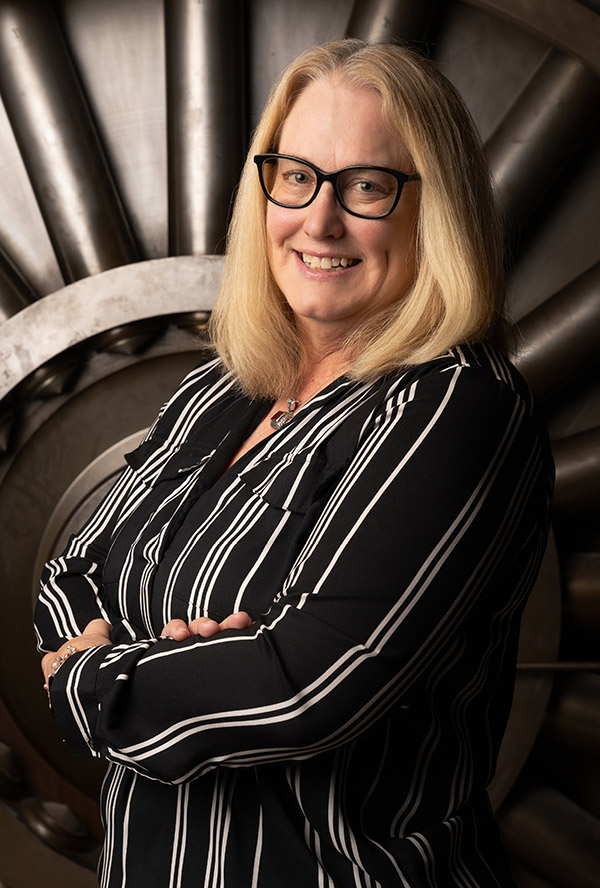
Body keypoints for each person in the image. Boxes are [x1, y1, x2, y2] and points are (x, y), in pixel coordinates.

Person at [35, 39, 554, 888]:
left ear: (437, 209)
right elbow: (71, 573)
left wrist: (92, 683)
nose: (320, 221)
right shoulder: (222, 387)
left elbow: (301, 690)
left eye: (367, 186)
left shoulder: (460, 408)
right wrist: (191, 667)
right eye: (297, 176)